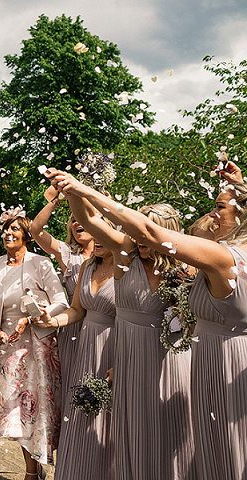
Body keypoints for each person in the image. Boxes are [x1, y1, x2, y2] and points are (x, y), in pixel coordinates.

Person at [49, 167, 247, 478]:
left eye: (146, 234)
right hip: (130, 359)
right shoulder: (126, 256)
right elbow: (90, 221)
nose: (140, 240)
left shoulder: (184, 269)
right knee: (132, 437)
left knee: (171, 441)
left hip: (169, 364)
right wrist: (73, 191)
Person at [0, 209, 68, 480]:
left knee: (35, 407)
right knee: (14, 410)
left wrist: (32, 317)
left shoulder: (41, 264)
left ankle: (34, 471)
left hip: (36, 346)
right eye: (6, 230)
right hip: (6, 348)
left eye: (15, 230)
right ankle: (32, 469)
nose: (8, 234)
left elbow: (61, 300)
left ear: (26, 236)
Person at [34, 210, 116, 479]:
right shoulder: (86, 266)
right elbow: (77, 310)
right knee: (78, 408)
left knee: (109, 414)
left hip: (114, 343)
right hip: (82, 345)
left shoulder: (127, 267)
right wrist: (53, 321)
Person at [29, 186, 95, 413]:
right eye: (73, 220)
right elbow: (35, 230)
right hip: (73, 328)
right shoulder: (68, 254)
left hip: (103, 327)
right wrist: (54, 201)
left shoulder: (114, 255)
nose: (77, 224)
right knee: (72, 386)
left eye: (81, 219)